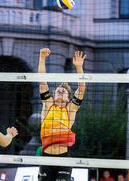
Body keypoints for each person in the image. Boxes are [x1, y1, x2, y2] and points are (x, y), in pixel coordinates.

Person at [38, 48, 86, 181]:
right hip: (46, 159)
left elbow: (81, 89)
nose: (61, 91)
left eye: (64, 91)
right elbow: (42, 83)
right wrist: (42, 58)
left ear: (68, 98)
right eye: (59, 90)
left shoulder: (70, 109)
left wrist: (79, 67)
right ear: (53, 95)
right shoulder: (48, 105)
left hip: (63, 159)